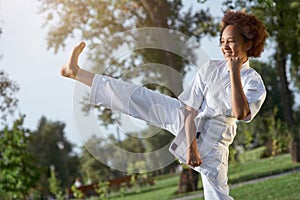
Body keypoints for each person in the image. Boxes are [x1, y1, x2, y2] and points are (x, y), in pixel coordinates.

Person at [61, 11, 268, 200]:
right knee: (139, 97)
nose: (224, 47)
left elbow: (241, 113)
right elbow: (189, 108)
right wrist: (190, 147)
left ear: (248, 44)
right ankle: (77, 73)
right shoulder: (210, 68)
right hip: (186, 121)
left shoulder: (253, 81)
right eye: (222, 41)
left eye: (230, 41)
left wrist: (234, 72)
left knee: (217, 197)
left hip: (215, 144)